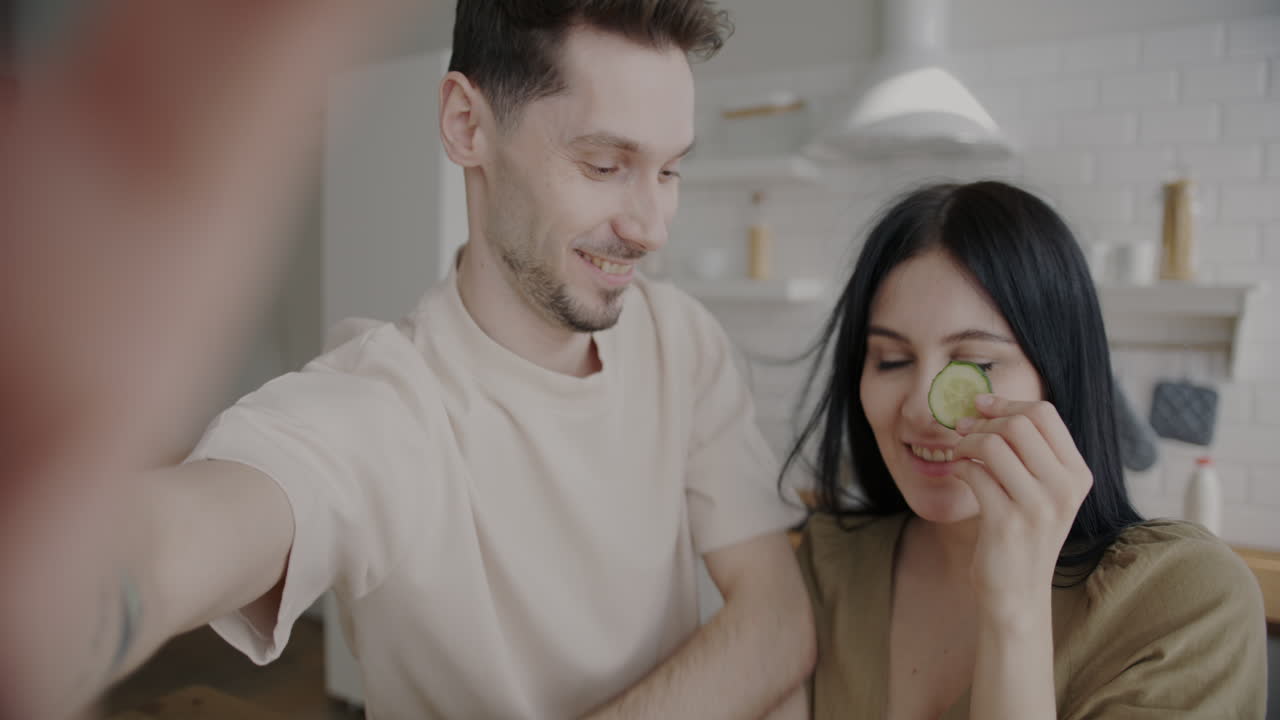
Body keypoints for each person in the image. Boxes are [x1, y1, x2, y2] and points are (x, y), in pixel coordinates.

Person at [2, 1, 817, 719]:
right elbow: (180, 540)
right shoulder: (383, 405)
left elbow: (779, 620)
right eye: (605, 166)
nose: (652, 226)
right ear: (467, 125)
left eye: (669, 171)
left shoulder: (682, 339)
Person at [784, 181, 1267, 719]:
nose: (921, 408)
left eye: (977, 364)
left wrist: (1014, 607)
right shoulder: (831, 559)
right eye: (891, 361)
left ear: (1056, 378)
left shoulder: (1190, 598)